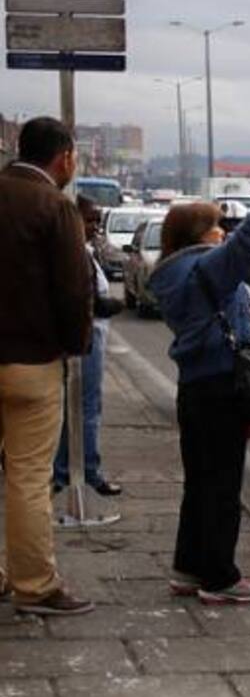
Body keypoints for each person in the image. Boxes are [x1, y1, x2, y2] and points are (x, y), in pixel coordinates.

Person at [147, 174, 250, 605]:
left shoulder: (174, 272)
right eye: (217, 227)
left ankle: (188, 567)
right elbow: (244, 245)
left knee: (200, 484)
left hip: (194, 389)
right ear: (199, 236)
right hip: (220, 387)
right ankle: (219, 576)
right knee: (222, 487)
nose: (224, 233)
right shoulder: (206, 267)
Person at [0, 116, 95, 615]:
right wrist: (74, 345)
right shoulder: (54, 206)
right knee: (29, 475)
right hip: (32, 362)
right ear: (63, 158)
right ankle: (34, 585)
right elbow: (72, 289)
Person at [53, 195, 124, 496]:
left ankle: (64, 470)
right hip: (87, 338)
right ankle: (87, 470)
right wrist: (116, 304)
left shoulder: (84, 251)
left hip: (88, 336)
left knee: (76, 407)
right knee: (87, 407)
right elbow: (90, 303)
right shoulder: (76, 254)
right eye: (89, 219)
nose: (95, 226)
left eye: (97, 220)